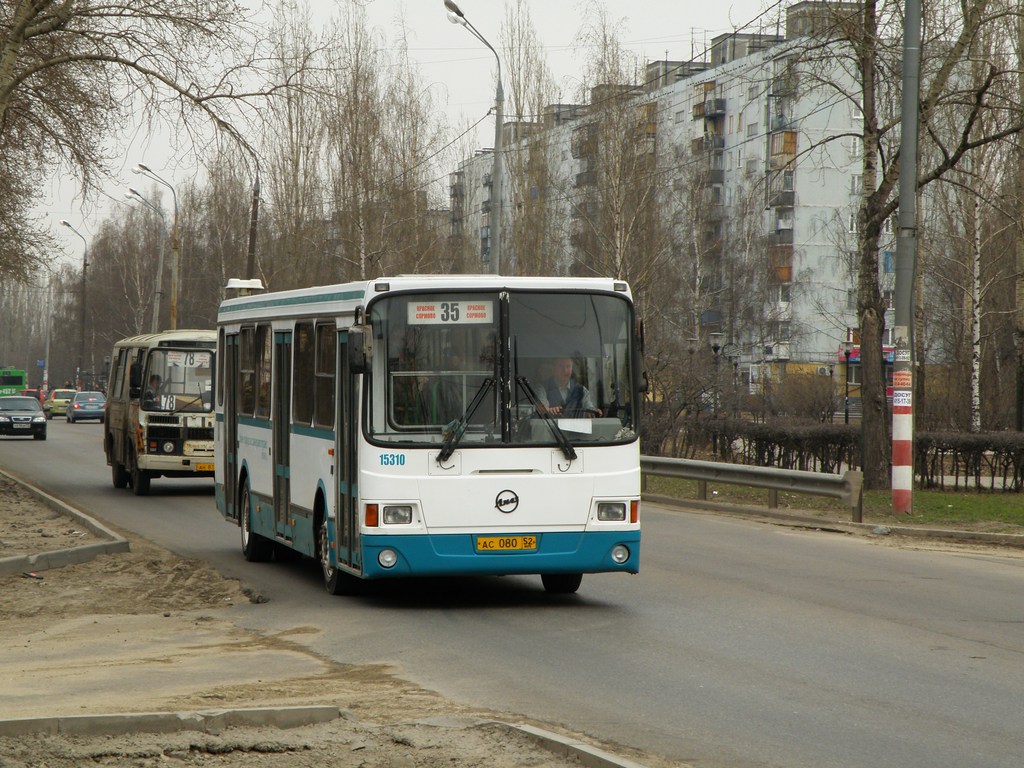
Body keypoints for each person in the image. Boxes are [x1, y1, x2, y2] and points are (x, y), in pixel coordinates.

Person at [536, 357, 602, 417]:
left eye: (568, 366)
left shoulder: (581, 390)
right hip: (552, 429)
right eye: (561, 367)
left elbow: (589, 408)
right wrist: (550, 410)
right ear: (554, 368)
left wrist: (594, 412)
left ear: (572, 368)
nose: (565, 370)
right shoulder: (542, 388)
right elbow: (541, 409)